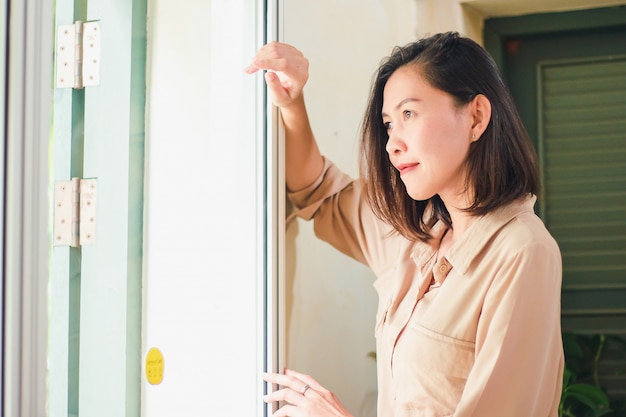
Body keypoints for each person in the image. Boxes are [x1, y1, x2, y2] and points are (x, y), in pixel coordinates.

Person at [246, 31, 564, 417]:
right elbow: (318, 194)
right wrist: (291, 102)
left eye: (409, 114)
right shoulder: (416, 234)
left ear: (476, 116)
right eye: (389, 124)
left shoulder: (523, 252)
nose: (391, 143)